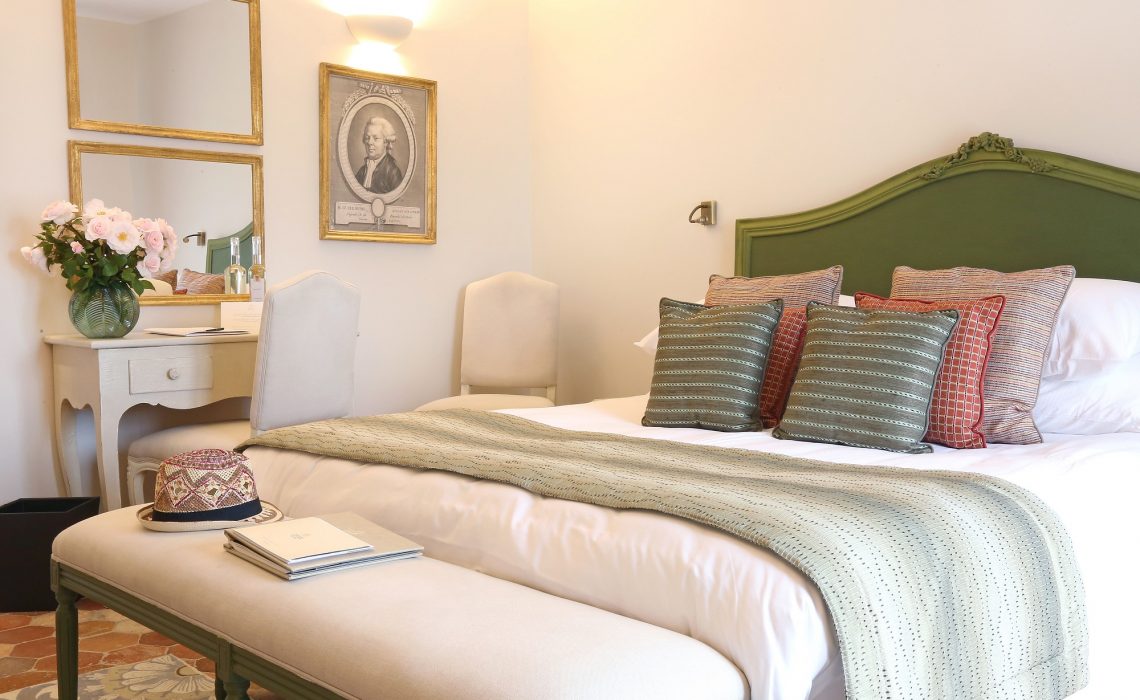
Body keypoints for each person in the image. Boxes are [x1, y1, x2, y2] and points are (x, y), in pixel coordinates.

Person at [355, 116, 404, 194]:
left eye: (376, 138)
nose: (370, 142)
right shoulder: (362, 171)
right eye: (367, 138)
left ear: (386, 142)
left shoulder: (392, 172)